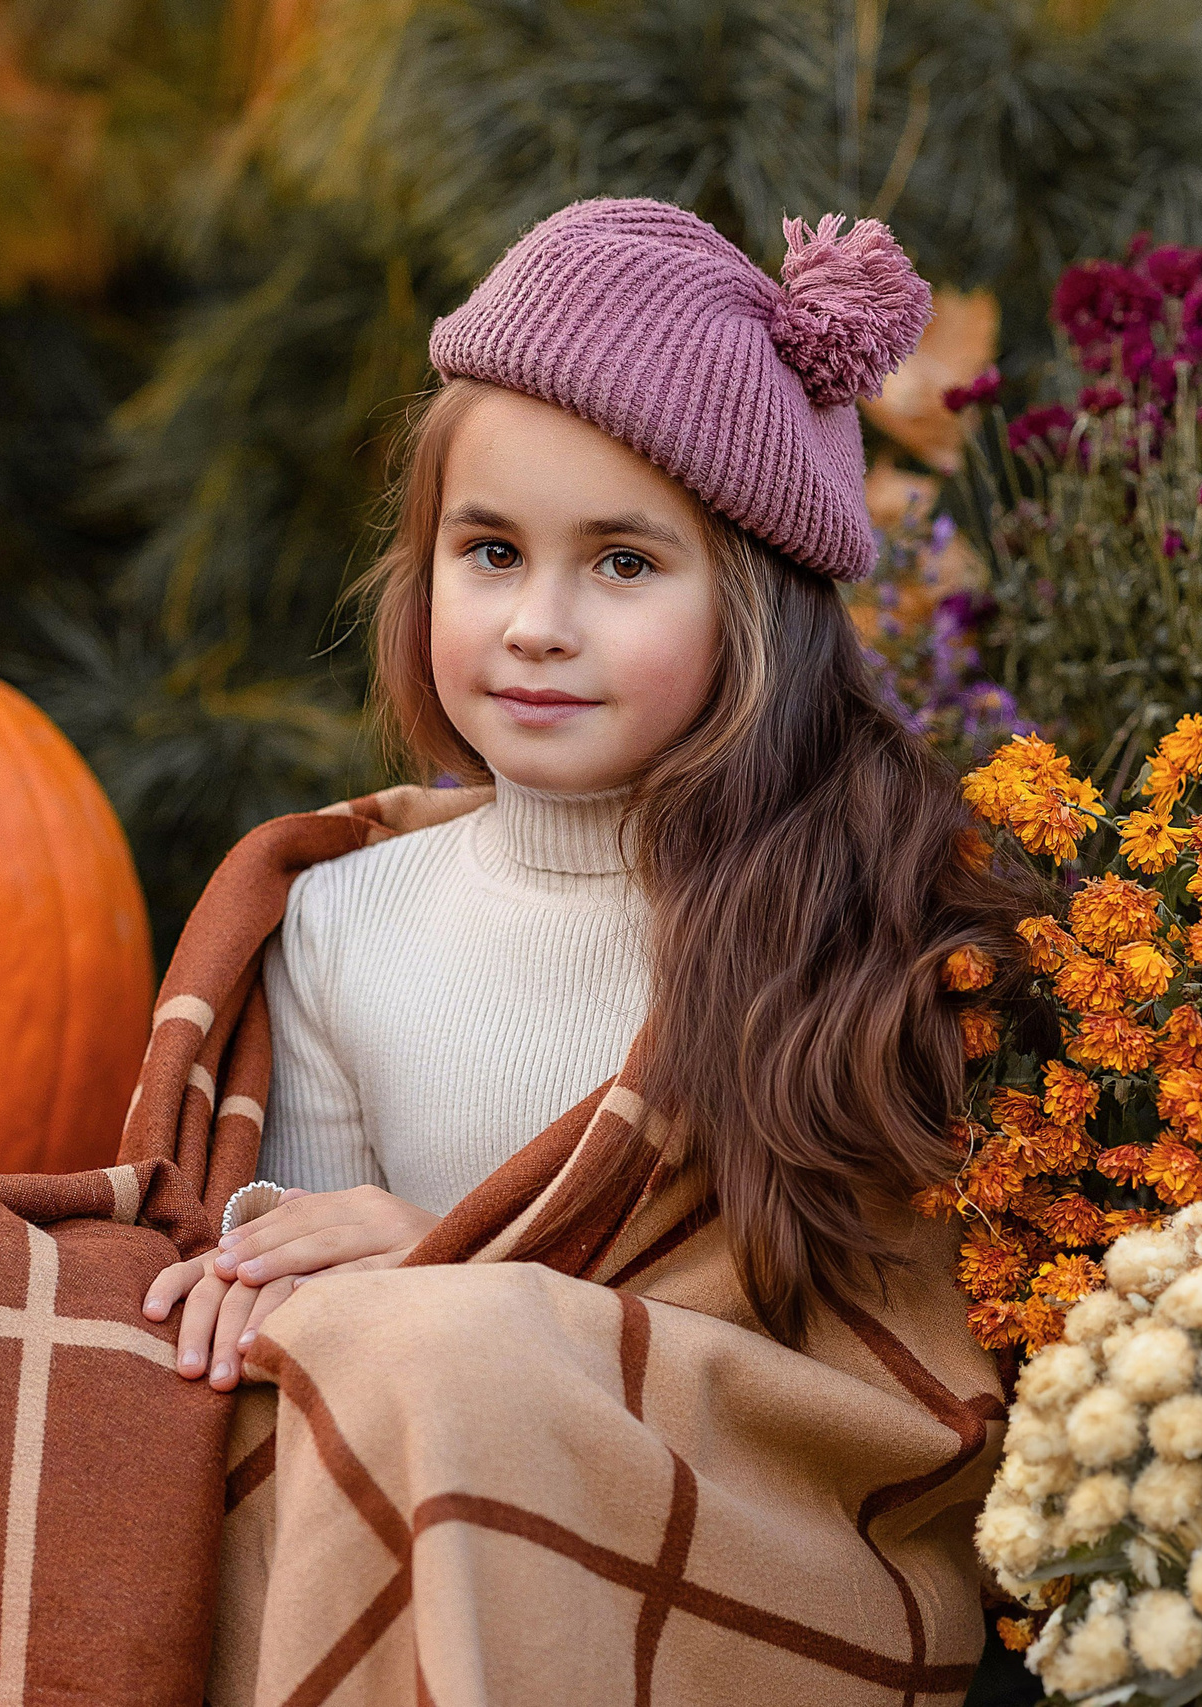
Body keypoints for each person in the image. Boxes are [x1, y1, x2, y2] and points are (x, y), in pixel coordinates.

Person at [143, 196, 1035, 1388]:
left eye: (623, 563)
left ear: (753, 604)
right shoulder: (334, 920)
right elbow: (304, 1323)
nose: (535, 628)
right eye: (492, 552)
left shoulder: (863, 923)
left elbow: (845, 1383)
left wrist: (466, 1287)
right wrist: (284, 1269)